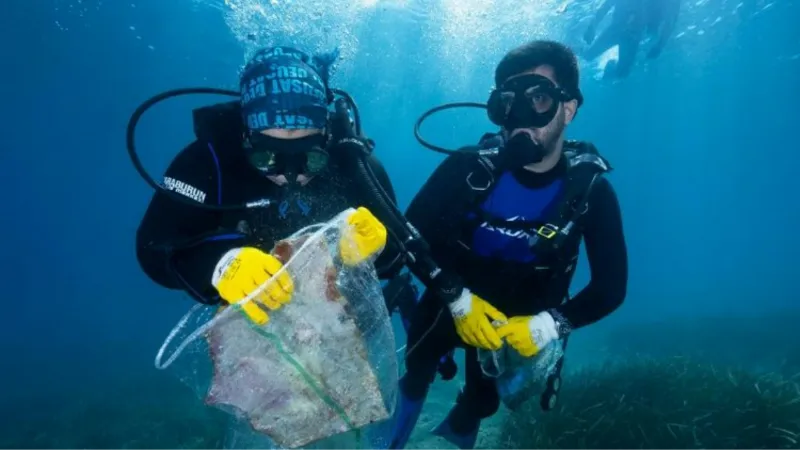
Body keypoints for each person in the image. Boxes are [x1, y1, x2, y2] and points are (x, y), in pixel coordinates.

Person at [389, 40, 629, 450]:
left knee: (484, 403)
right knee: (416, 369)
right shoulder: (466, 168)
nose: (519, 118)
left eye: (537, 98)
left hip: (520, 323)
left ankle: (461, 423)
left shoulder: (590, 193)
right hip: (451, 300)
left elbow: (610, 288)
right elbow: (402, 240)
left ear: (568, 108)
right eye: (507, 103)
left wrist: (551, 324)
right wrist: (455, 297)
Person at [135, 46, 422, 331]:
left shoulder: (355, 164)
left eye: (309, 159)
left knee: (367, 325)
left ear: (327, 138)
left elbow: (398, 257)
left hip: (335, 310)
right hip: (256, 317)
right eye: (268, 158)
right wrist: (219, 265)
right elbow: (153, 247)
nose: (290, 176)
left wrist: (378, 247)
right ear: (246, 137)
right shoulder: (208, 160)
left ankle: (399, 296)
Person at [583, 0, 681, 79]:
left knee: (622, 73)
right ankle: (609, 65)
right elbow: (607, 5)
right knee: (588, 56)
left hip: (630, 35)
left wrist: (660, 45)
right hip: (621, 30)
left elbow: (670, 20)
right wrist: (592, 27)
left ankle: (611, 66)